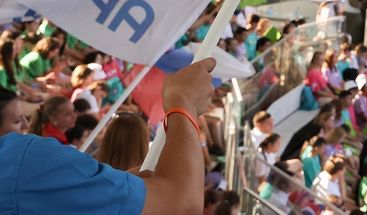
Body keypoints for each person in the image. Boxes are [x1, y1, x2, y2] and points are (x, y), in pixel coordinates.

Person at [0, 58, 216, 214]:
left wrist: (110, 193)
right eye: (17, 120)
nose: (26, 125)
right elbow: (182, 206)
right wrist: (182, 102)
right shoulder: (23, 161)